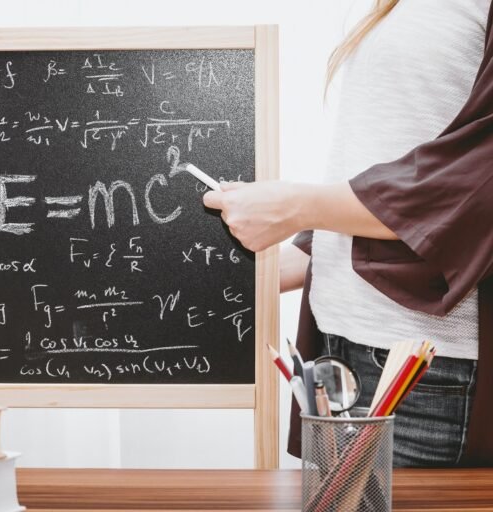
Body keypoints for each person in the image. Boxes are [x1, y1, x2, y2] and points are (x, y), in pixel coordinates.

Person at [203, 0, 493, 466]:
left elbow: (474, 179)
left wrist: (294, 205)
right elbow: (384, 167)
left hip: (424, 372)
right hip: (338, 346)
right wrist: (286, 262)